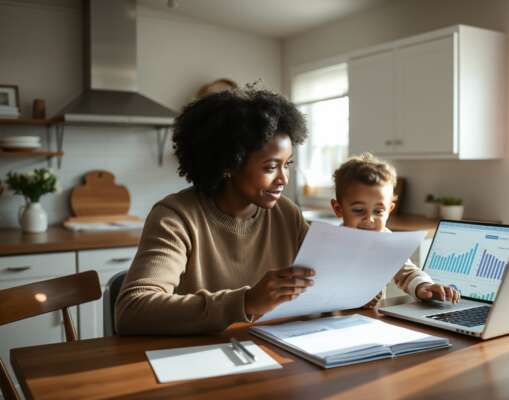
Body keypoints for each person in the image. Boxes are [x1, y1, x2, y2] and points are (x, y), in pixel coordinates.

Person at [115, 88, 315, 335]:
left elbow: (320, 283)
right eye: (271, 167)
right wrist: (246, 301)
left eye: (287, 165)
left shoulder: (287, 214)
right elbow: (133, 310)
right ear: (230, 163)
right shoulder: (175, 217)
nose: (283, 178)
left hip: (270, 353)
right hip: (195, 358)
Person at [330, 153, 460, 307]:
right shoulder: (328, 244)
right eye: (358, 210)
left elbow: (408, 273)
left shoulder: (386, 240)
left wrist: (423, 286)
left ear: (390, 209)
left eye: (378, 212)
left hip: (368, 320)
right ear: (339, 209)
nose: (369, 219)